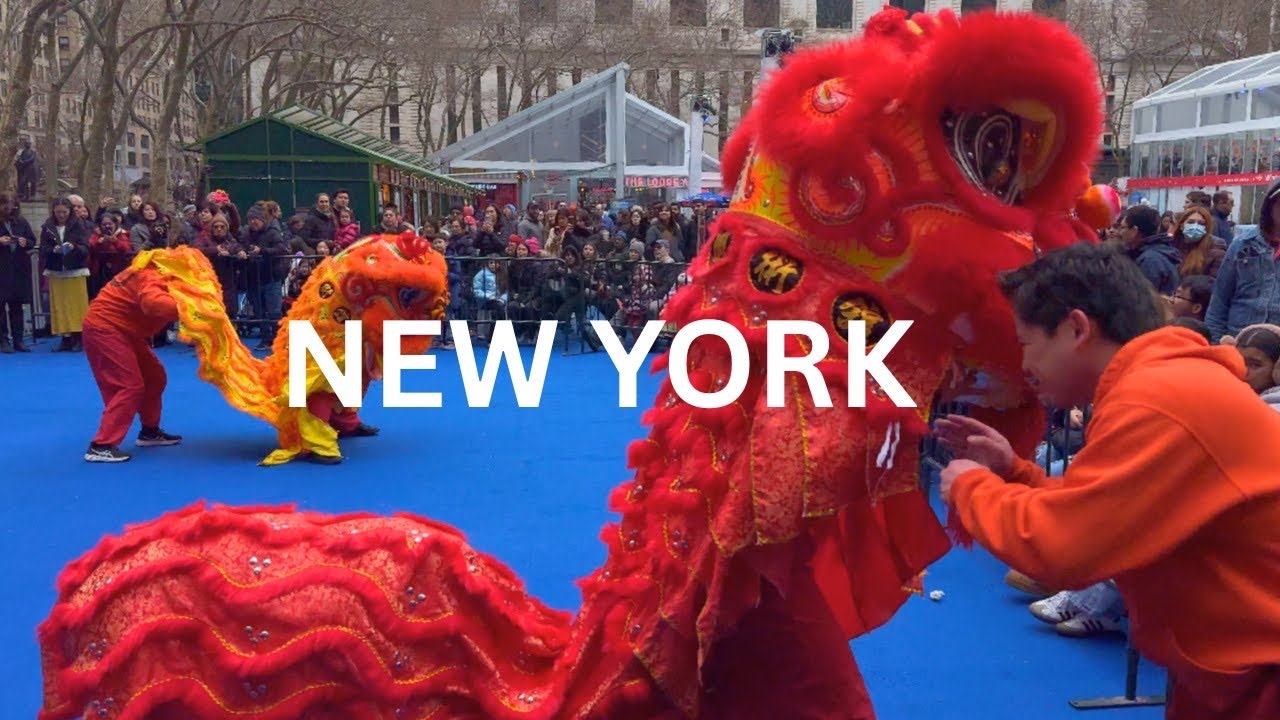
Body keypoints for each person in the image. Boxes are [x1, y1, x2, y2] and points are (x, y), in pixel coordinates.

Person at [937, 242, 1280, 719]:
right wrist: (1015, 474)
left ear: (1076, 328)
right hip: (1229, 670)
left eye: (1025, 343)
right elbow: (1107, 508)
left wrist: (969, 486)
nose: (1023, 366)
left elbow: (1064, 548)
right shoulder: (1160, 386)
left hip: (1257, 678)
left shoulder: (1158, 398)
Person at [81, 261, 183, 462]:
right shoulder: (153, 276)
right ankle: (102, 445)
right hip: (106, 327)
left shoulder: (154, 271)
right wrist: (192, 308)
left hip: (125, 329)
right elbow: (154, 303)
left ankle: (149, 432)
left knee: (155, 376)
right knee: (128, 385)